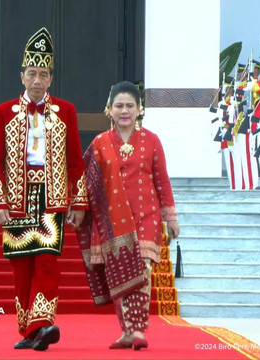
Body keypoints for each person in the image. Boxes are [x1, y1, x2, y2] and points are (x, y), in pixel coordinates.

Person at [0, 27, 88, 351]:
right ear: (22, 76)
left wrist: (79, 201)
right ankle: (30, 332)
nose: (37, 80)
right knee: (21, 265)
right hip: (16, 198)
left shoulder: (66, 111)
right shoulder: (3, 113)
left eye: (43, 74)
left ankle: (43, 324)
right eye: (32, 73)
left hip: (52, 196)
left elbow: (75, 160)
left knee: (46, 261)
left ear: (50, 79)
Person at [76, 81, 180, 350]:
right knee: (118, 273)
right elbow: (86, 181)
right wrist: (78, 208)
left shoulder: (151, 141)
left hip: (147, 216)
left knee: (141, 271)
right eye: (119, 106)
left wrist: (171, 217)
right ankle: (126, 331)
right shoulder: (99, 143)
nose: (124, 111)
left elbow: (162, 181)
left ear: (139, 109)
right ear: (109, 109)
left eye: (130, 106)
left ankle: (138, 329)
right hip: (111, 221)